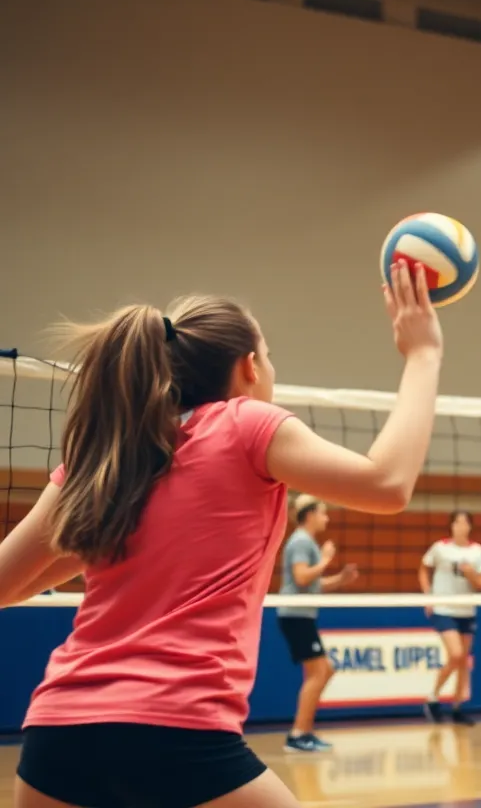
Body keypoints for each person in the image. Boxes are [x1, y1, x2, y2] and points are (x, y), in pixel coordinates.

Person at [0, 260, 443, 808]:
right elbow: (388, 484)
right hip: (177, 732)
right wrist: (423, 355)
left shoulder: (111, 455)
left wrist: (81, 556)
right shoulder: (246, 424)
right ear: (250, 367)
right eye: (271, 356)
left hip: (57, 739)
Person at [277, 493, 359, 752]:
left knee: (325, 670)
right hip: (295, 614)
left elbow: (311, 584)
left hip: (301, 614)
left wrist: (339, 579)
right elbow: (301, 578)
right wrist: (325, 560)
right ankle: (299, 734)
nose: (327, 518)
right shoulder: (302, 541)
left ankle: (304, 731)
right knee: (319, 672)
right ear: (310, 515)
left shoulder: (305, 541)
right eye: (323, 512)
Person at [418, 509, 481, 724]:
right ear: (451, 526)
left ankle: (457, 707)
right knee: (456, 654)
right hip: (443, 609)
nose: (460, 526)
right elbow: (423, 569)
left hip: (466, 610)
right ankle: (432, 698)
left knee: (462, 661)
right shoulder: (440, 548)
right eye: (457, 522)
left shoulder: (478, 551)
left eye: (465, 522)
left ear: (470, 527)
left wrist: (471, 574)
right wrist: (428, 596)